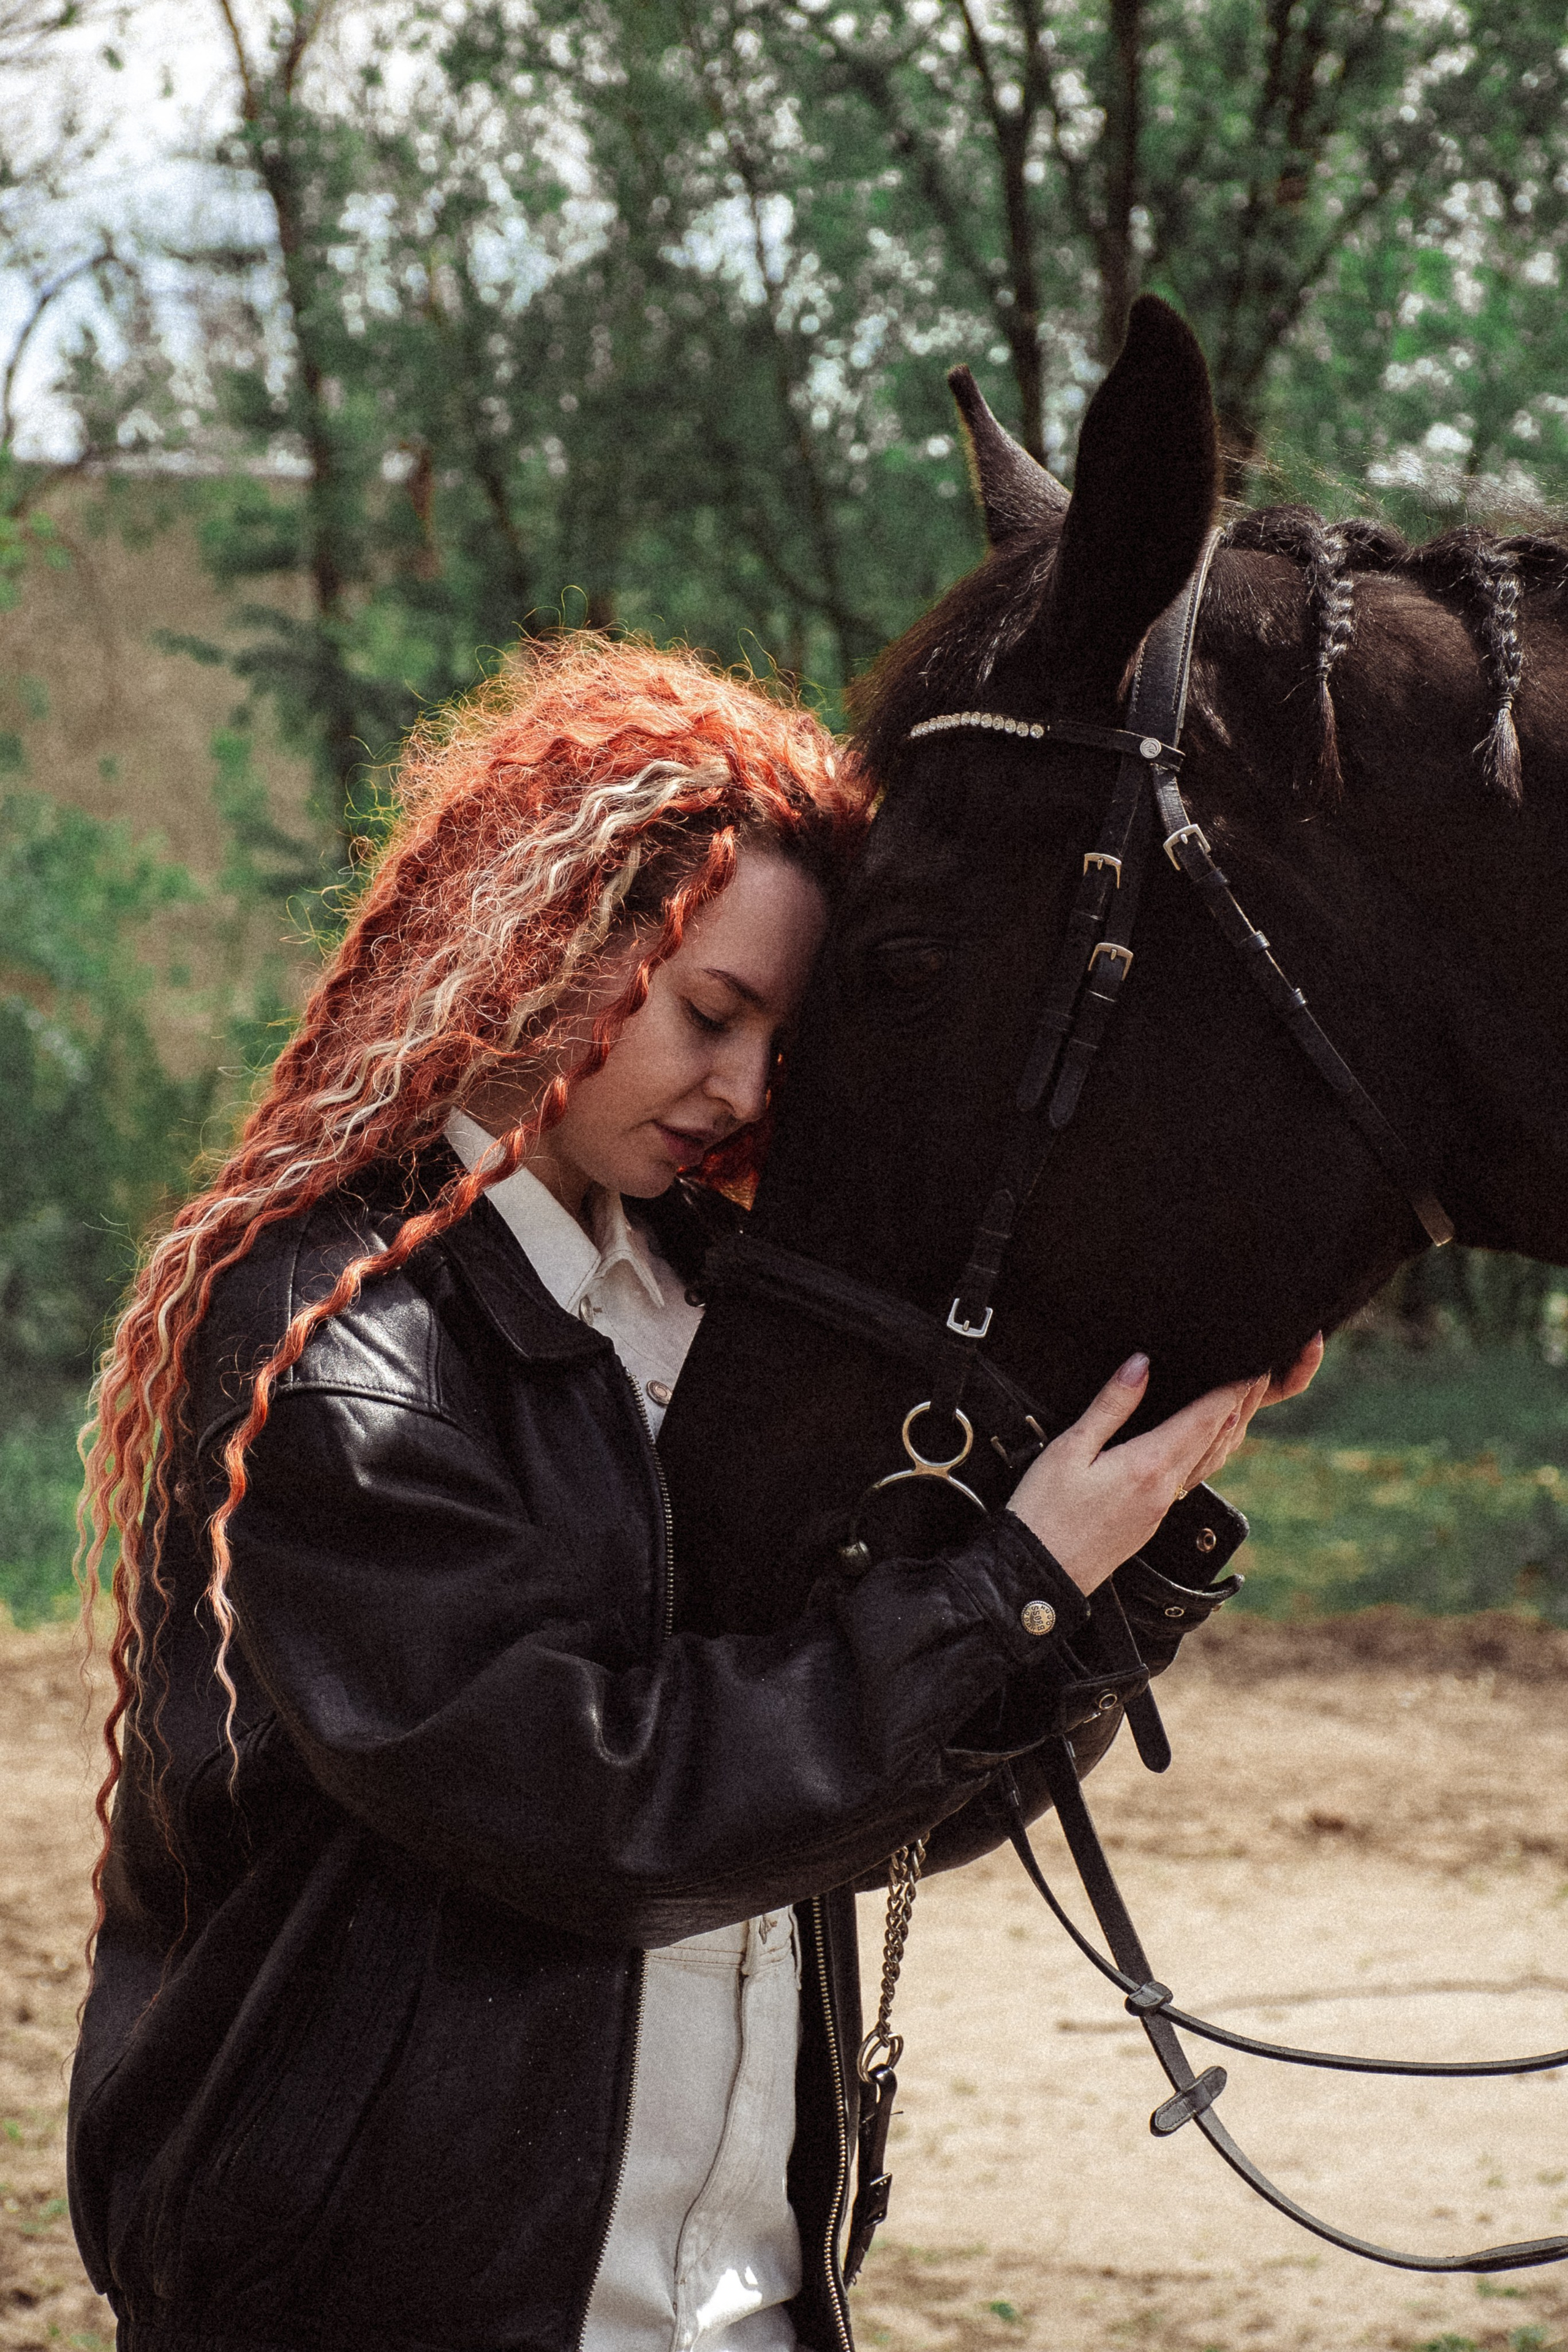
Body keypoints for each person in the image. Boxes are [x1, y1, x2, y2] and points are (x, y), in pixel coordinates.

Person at [67, 636, 1318, 2352]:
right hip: (389, 2296)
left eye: (774, 1047)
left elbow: (853, 1802)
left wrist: (1114, 1570)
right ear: (544, 945)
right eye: (706, 1013)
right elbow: (600, 1807)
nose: (739, 1095)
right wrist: (1010, 1582)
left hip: (737, 2297)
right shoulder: (333, 1346)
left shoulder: (714, 1318)